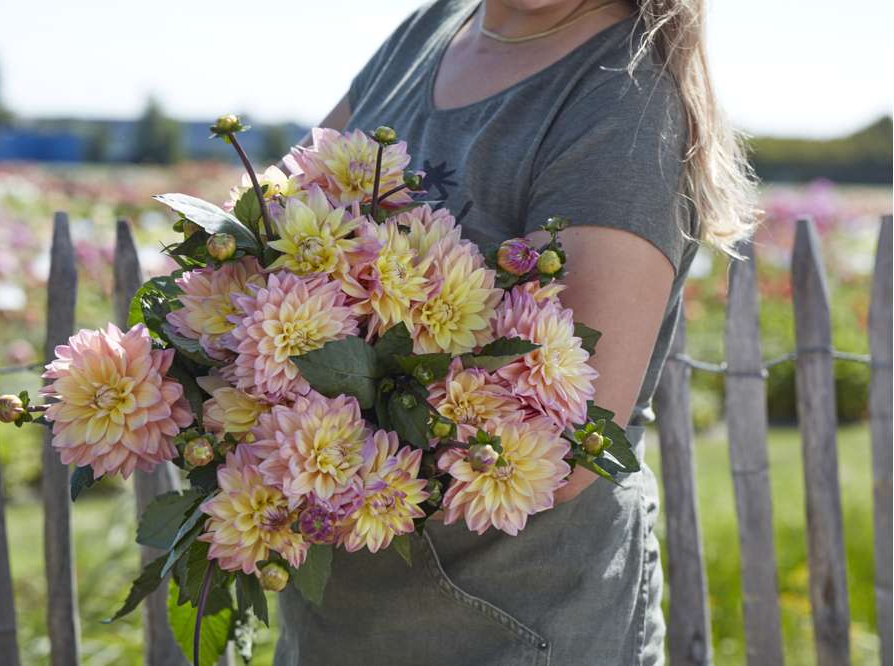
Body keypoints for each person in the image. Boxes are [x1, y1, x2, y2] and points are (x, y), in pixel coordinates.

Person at [275, 1, 757, 664]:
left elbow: (563, 443)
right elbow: (278, 210)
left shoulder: (623, 100)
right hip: (342, 619)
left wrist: (300, 449)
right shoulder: (434, 28)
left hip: (508, 625)